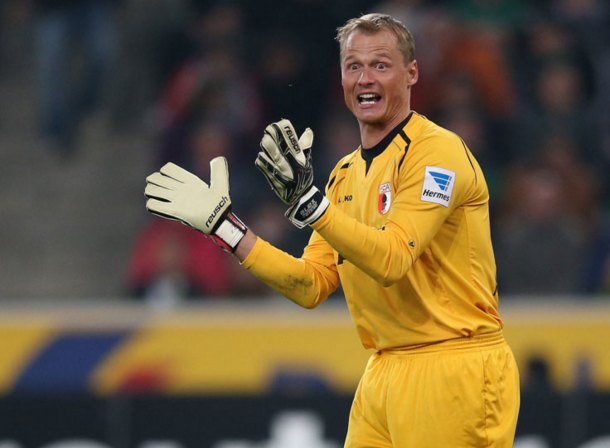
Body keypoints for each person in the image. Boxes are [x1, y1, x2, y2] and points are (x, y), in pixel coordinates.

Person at [144, 13, 520, 448]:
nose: (365, 79)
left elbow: (393, 259)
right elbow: (311, 285)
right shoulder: (344, 174)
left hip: (454, 366)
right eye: (353, 66)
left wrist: (311, 206)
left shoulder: (438, 154)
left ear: (412, 73)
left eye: (381, 65)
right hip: (383, 368)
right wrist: (226, 227)